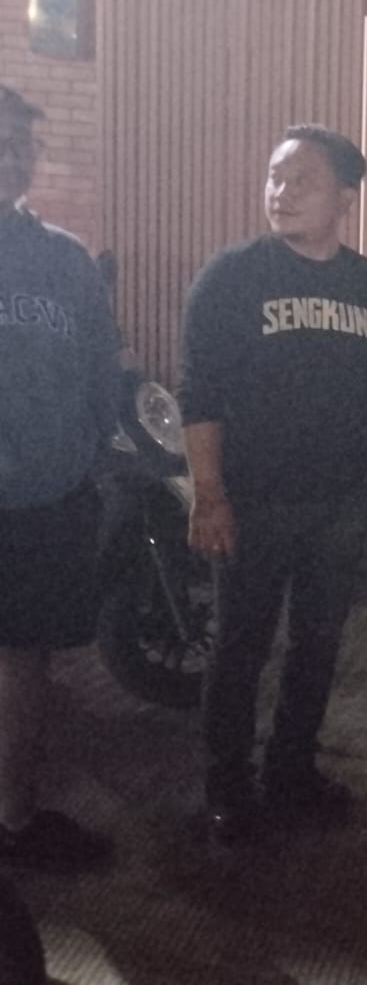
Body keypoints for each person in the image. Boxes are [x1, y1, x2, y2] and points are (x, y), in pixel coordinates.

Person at [179, 123, 367, 846]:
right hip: (251, 501)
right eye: (275, 177)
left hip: (340, 501)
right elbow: (199, 396)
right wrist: (209, 494)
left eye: (301, 180)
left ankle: (292, 770)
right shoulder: (231, 277)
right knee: (240, 648)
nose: (281, 192)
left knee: (318, 645)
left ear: (345, 197)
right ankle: (226, 786)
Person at [0, 84, 119, 870]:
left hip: (43, 503)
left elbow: (101, 373)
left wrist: (79, 460)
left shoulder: (65, 260)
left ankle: (14, 817)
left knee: (26, 663)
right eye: (1, 141)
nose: (14, 157)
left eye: (24, 145)